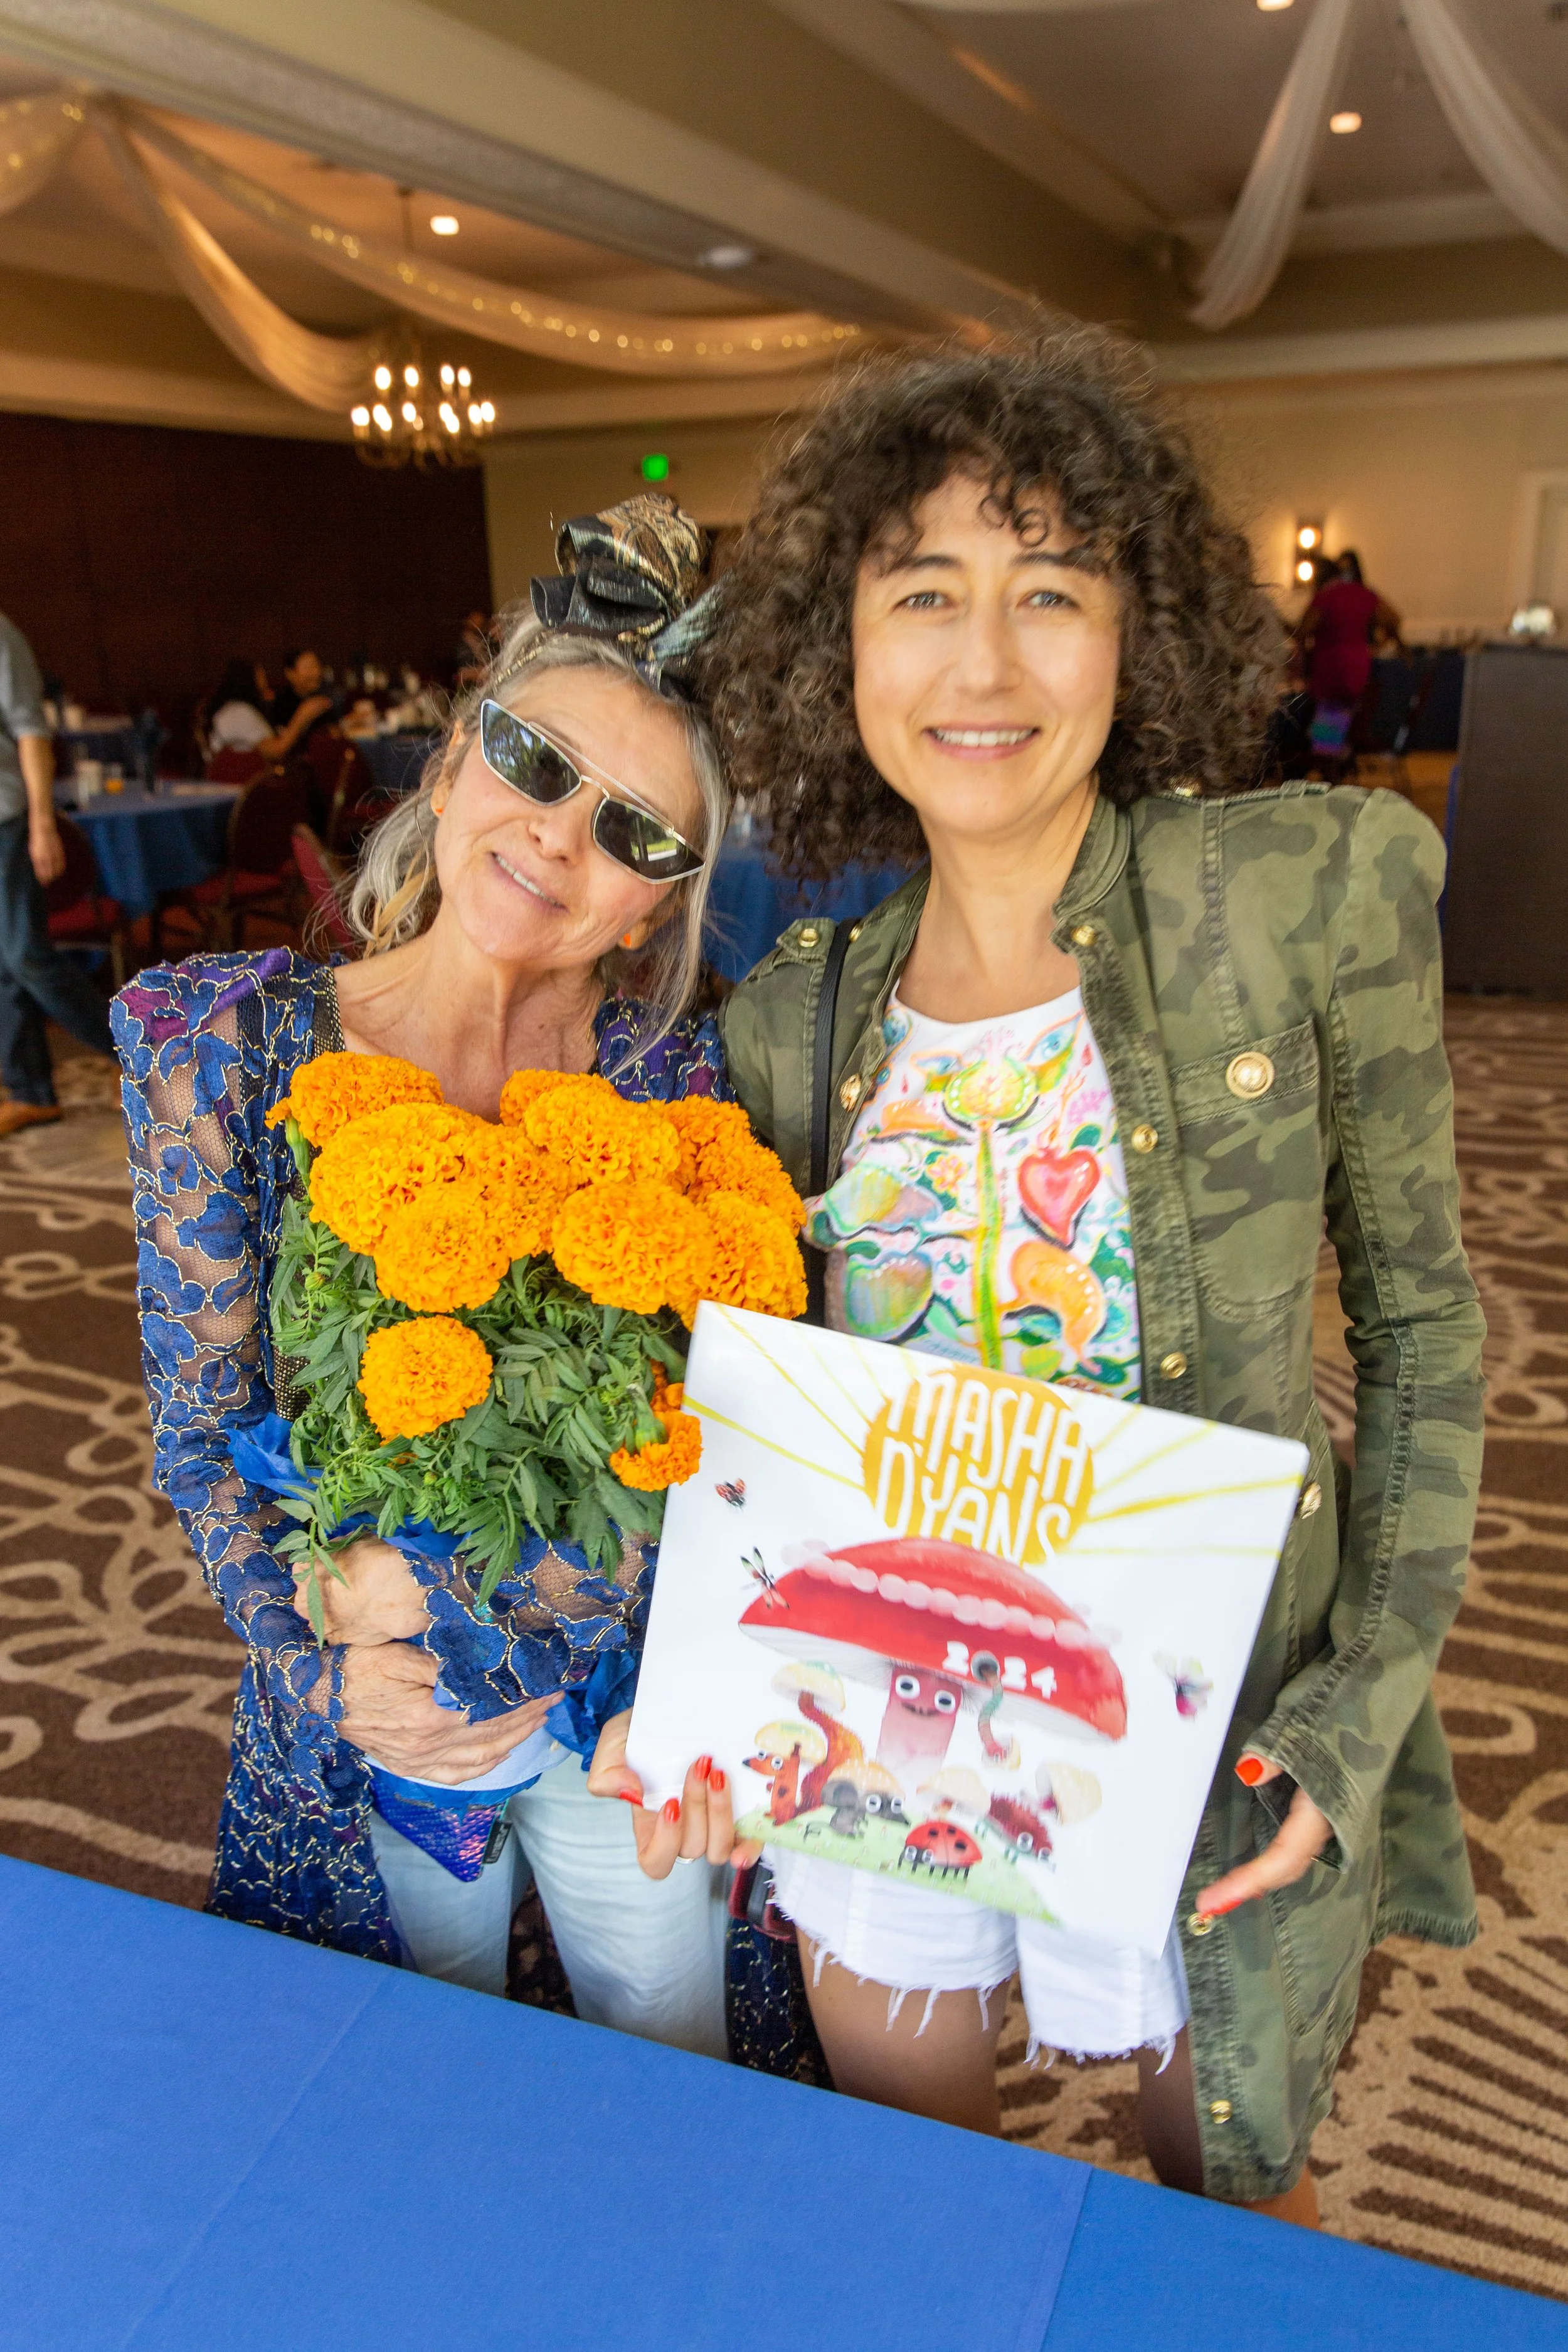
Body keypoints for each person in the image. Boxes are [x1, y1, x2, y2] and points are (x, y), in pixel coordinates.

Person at [593, 331, 1485, 2219]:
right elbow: (733, 1438)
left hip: (1194, 1732)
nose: (981, 663)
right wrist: (690, 1704)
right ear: (838, 647)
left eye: (1047, 590)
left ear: (1134, 633)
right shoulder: (783, 1025)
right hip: (878, 1741)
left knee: (1230, 2254)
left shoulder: (1295, 896)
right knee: (925, 2238)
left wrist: (1357, 1706)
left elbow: (1417, 1323)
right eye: (921, 593)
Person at [114, 496, 736, 2052]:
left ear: (662, 893)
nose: (558, 836)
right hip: (367, 1701)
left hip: (615, 1700)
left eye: (636, 833)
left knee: (674, 2066)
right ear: (455, 761)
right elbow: (204, 1433)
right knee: (401, 2088)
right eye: (532, 763)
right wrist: (328, 1666)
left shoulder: (675, 1078)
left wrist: (562, 1629)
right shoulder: (229, 1047)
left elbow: (721, 1432)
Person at [0, 608, 115, 1136]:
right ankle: (31, 1092)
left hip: (6, 820)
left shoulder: (3, 635)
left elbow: (31, 733)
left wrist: (43, 823)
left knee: (28, 958)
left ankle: (138, 1059)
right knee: (5, 965)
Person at [1299, 550, 1404, 772]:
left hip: (1331, 671)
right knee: (1336, 726)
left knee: (1326, 740)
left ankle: (1333, 769)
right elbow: (1394, 619)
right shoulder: (1363, 594)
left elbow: (1303, 631)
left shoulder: (1326, 596)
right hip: (1357, 669)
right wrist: (1375, 647)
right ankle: (1340, 758)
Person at [203, 657, 332, 763]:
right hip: (241, 784)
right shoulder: (238, 712)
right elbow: (276, 752)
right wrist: (303, 715)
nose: (265, 682)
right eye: (260, 676)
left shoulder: (239, 710)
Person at [270, 647, 338, 748]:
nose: (316, 673)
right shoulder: (280, 704)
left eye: (317, 666)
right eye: (309, 668)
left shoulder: (323, 698)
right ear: (290, 673)